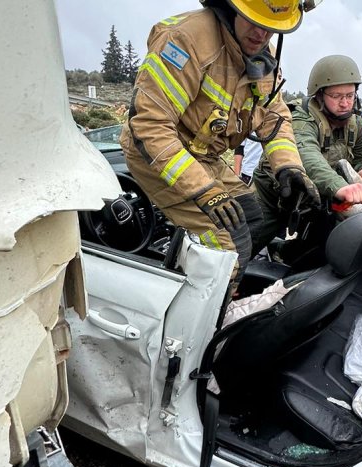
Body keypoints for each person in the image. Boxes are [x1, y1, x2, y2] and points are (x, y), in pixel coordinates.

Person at [120, 0, 321, 289]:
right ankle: (200, 321)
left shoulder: (261, 57)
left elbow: (274, 117)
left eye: (270, 27)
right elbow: (149, 125)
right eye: (254, 20)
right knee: (227, 246)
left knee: (250, 215)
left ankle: (189, 273)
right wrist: (204, 190)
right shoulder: (186, 40)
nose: (261, 34)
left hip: (205, 157)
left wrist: (289, 167)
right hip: (156, 152)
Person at [252, 54, 362, 251]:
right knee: (240, 250)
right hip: (271, 200)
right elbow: (307, 155)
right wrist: (341, 187)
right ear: (319, 95)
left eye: (350, 95)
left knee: (315, 256)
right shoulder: (302, 120)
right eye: (336, 96)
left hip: (311, 206)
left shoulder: (356, 125)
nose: (345, 103)